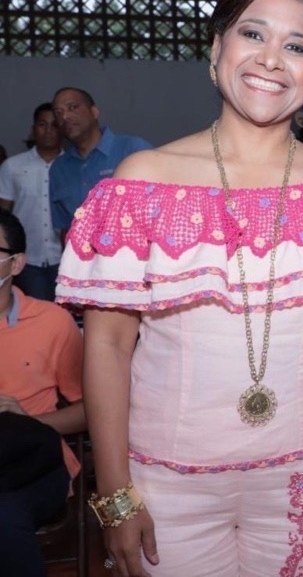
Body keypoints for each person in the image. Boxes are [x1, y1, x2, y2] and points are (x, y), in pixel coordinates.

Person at [56, 0, 303, 577]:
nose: (272, 59)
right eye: (253, 35)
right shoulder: (143, 182)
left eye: (296, 46)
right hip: (168, 488)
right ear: (216, 49)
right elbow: (108, 346)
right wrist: (114, 498)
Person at [0, 208, 85, 577]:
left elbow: (90, 411)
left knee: (3, 516)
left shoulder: (52, 322)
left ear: (17, 264)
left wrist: (28, 420)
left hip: (35, 464)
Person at [49, 87, 151, 236]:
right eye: (58, 113)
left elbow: (160, 211)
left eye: (73, 107)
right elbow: (66, 230)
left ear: (94, 112)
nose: (65, 116)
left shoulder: (133, 150)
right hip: (82, 257)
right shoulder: (58, 169)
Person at [0, 103, 63, 300]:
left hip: (65, 259)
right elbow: (4, 216)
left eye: (54, 125)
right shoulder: (13, 166)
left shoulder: (73, 166)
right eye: (42, 124)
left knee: (65, 319)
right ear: (33, 130)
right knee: (32, 318)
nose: (48, 131)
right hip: (27, 260)